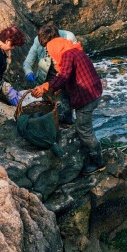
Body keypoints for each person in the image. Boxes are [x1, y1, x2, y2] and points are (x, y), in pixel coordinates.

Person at [31, 34, 105, 175]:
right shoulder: (75, 50)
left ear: (56, 49)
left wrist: (45, 87)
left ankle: (98, 162)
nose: (51, 56)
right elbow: (68, 76)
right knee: (82, 127)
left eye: (51, 52)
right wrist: (56, 86)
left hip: (87, 98)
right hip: (94, 92)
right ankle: (89, 149)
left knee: (84, 130)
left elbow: (63, 76)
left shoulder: (67, 55)